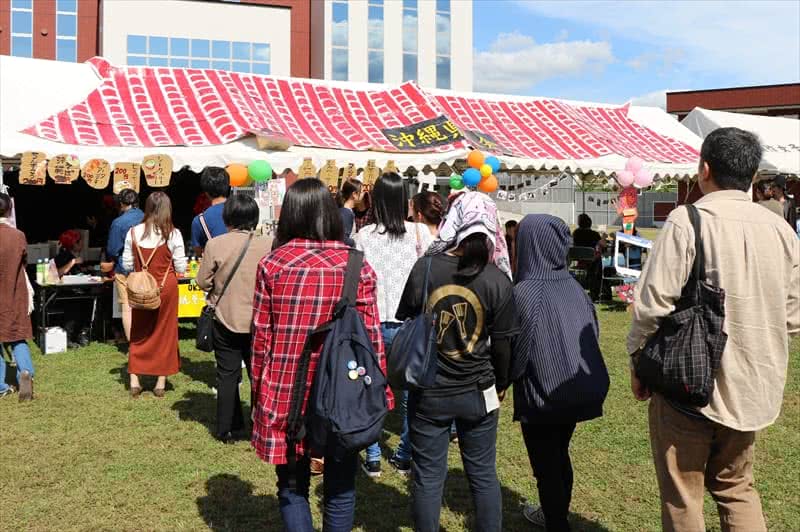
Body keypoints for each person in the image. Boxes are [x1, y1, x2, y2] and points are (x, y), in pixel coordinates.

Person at [628, 127, 800, 532]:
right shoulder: (781, 230)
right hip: (755, 387)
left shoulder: (688, 220)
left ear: (704, 168)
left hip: (686, 384)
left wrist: (638, 359)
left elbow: (652, 304)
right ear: (753, 175)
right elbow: (792, 316)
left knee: (683, 495)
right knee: (738, 488)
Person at [250, 178, 393, 531]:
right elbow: (371, 340)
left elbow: (260, 341)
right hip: (343, 393)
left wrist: (258, 393)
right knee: (341, 483)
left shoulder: (274, 265)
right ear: (329, 215)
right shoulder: (356, 265)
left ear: (290, 216)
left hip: (286, 391)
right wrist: (381, 392)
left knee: (292, 484)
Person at [396, 191, 519, 532]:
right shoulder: (498, 279)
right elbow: (505, 344)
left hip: (429, 391)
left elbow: (406, 315)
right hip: (480, 391)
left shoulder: (427, 266)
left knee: (427, 476)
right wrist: (503, 383)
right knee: (482, 474)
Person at [513, 214, 610, 531]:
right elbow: (591, 334)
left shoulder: (526, 291)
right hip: (577, 386)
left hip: (543, 395)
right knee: (559, 453)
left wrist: (503, 380)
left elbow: (518, 349)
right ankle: (556, 513)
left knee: (546, 464)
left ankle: (556, 520)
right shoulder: (575, 287)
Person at [353, 173, 434, 477]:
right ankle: (404, 454)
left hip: (372, 323)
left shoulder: (363, 237)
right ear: (404, 200)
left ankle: (373, 455)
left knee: (371, 389)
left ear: (375, 201)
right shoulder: (419, 234)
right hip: (410, 324)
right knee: (413, 393)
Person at [196, 194, 271, 443]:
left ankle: (227, 428)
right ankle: (262, 424)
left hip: (225, 317)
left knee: (227, 375)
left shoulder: (215, 244)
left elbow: (202, 281)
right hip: (260, 320)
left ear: (228, 217)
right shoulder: (269, 243)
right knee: (259, 374)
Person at [122, 192, 187, 398]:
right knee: (165, 332)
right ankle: (160, 381)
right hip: (165, 286)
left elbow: (127, 264)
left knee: (139, 330)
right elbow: (181, 266)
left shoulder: (133, 232)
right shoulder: (173, 233)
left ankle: (134, 379)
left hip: (140, 287)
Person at [0, 194, 35, 401]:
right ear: (8, 210)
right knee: (17, 336)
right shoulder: (18, 235)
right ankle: (26, 374)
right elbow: (24, 261)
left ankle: (1, 386)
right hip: (13, 292)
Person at [103, 189, 144, 342]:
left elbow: (113, 249)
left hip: (125, 270)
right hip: (146, 268)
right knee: (146, 303)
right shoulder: (148, 218)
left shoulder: (119, 223)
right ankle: (147, 339)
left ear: (121, 204)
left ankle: (133, 342)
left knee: (128, 306)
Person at [191, 167, 230, 256]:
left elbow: (198, 252)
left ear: (206, 191)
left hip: (217, 267)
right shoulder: (241, 210)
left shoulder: (199, 220)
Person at [337, 179, 363, 247]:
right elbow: (343, 239)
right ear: (354, 194)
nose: (363, 194)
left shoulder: (346, 211)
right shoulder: (346, 213)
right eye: (362, 192)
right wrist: (356, 242)